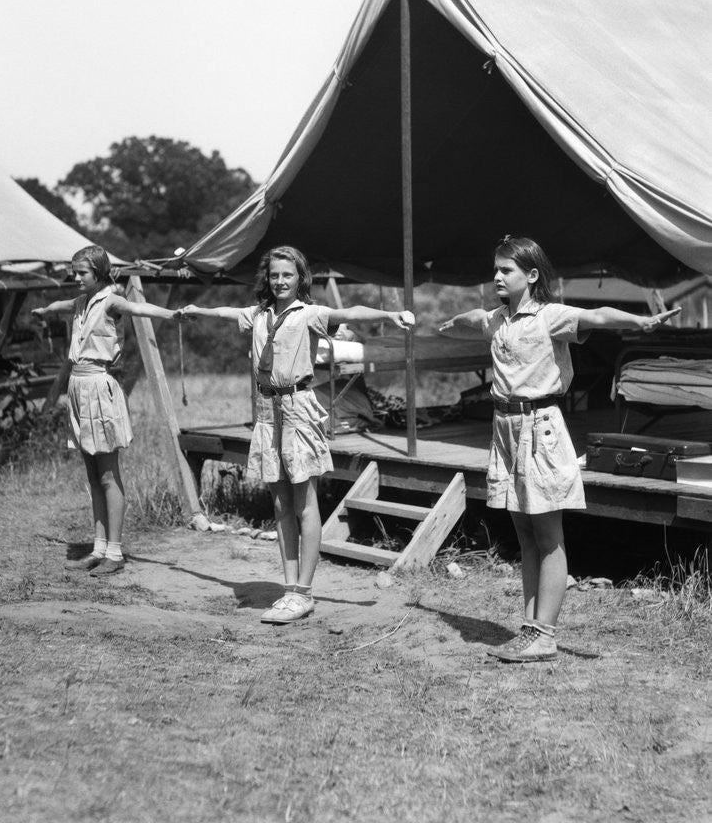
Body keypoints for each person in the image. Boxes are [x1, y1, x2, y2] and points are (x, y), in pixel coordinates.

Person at [439, 235, 679, 663]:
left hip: (540, 428)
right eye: (495, 269)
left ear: (531, 275)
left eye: (505, 270)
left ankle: (544, 634)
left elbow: (597, 315)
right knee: (525, 535)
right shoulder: (497, 319)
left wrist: (639, 323)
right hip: (505, 428)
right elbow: (470, 318)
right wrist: (446, 325)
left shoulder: (551, 317)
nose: (496, 276)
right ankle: (530, 628)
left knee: (548, 536)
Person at [179, 245, 415, 624]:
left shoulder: (310, 314)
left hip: (298, 409)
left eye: (287, 275)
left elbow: (349, 312)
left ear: (300, 278)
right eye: (274, 275)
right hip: (266, 411)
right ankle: (289, 589)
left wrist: (390, 313)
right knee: (279, 504)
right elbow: (225, 313)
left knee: (304, 502)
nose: (280, 281)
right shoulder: (258, 314)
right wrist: (195, 311)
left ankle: (303, 591)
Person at [32, 245, 181, 577]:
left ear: (98, 272)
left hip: (100, 387)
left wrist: (173, 314)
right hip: (78, 387)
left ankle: (114, 552)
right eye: (74, 272)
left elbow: (140, 308)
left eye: (82, 273)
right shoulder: (81, 302)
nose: (76, 278)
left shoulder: (111, 299)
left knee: (108, 474)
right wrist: (44, 311)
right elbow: (61, 305)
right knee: (91, 473)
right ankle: (98, 548)